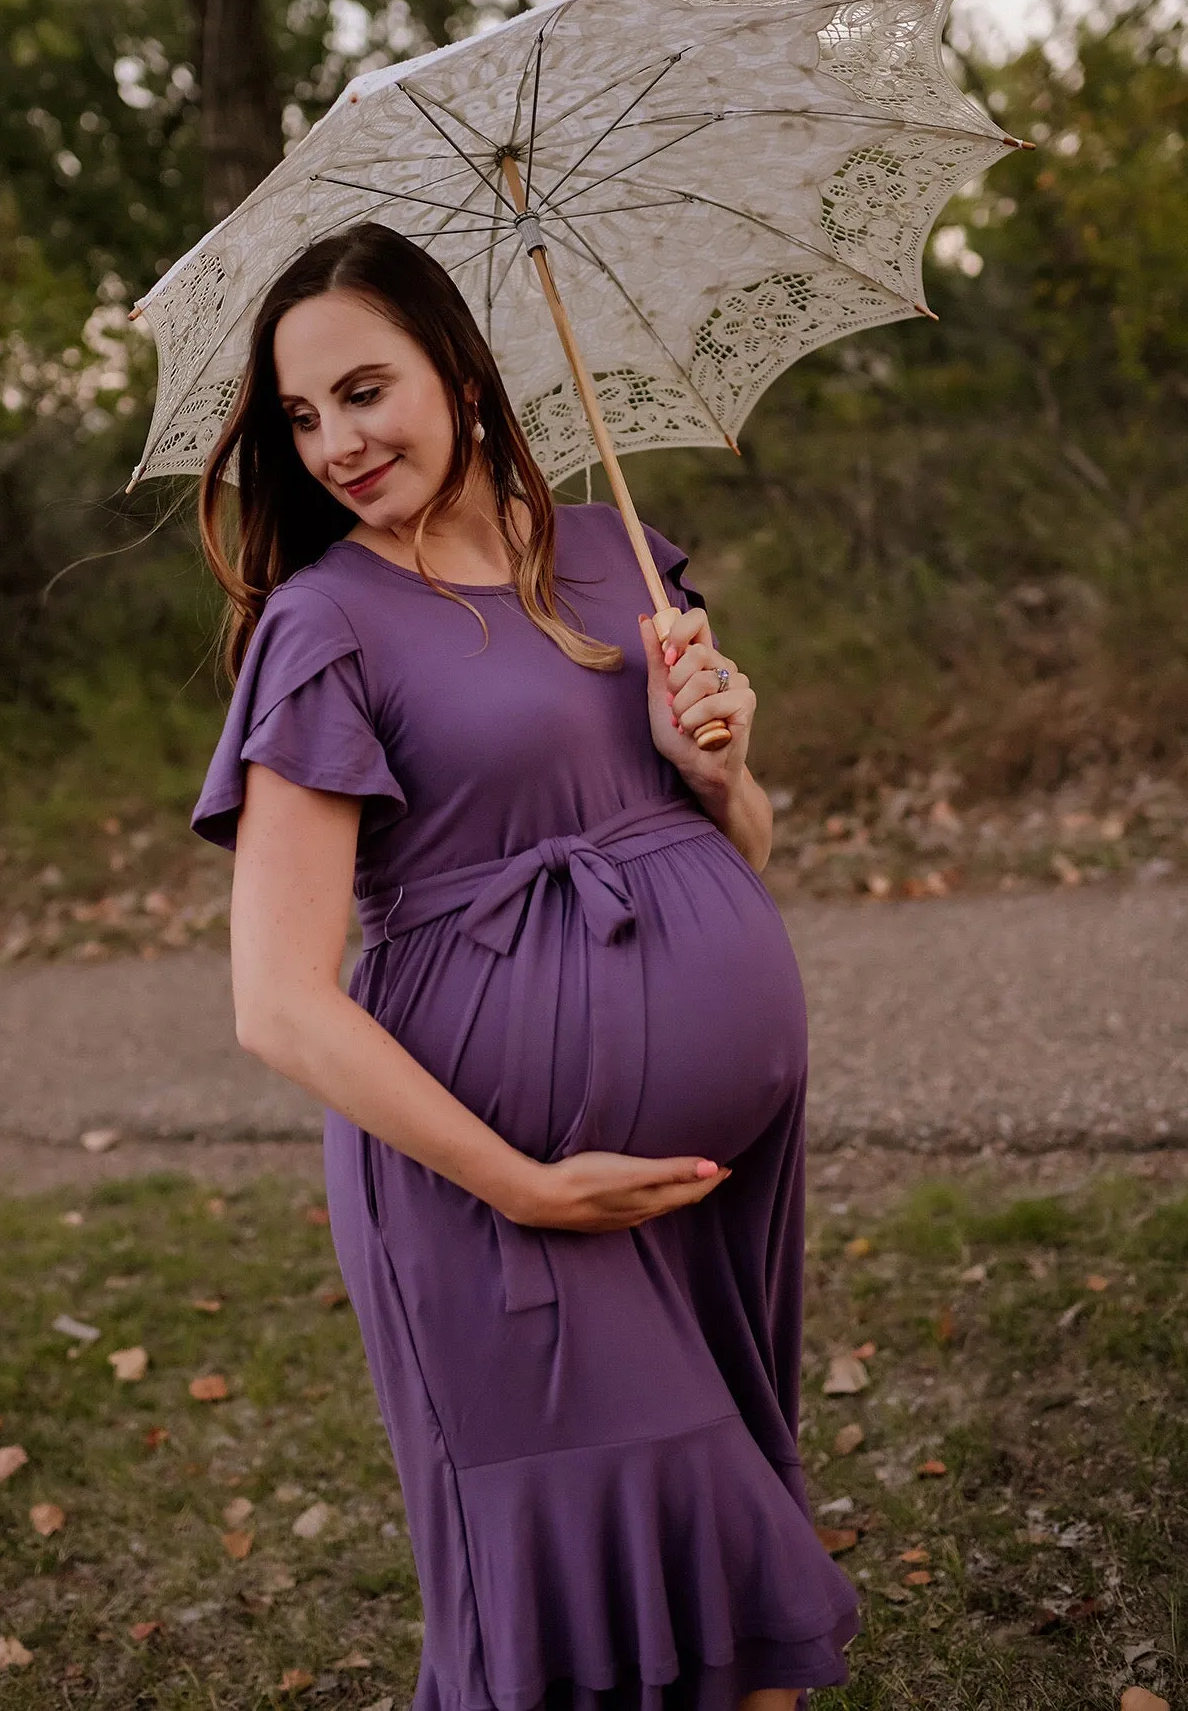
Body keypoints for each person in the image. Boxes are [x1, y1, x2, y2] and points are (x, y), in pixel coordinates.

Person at [192, 221, 859, 1711]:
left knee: (731, 1596)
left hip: (714, 1170)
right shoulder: (322, 628)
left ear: (462, 371)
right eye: (300, 419)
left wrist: (722, 763)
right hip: (499, 1202)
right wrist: (519, 1184)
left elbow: (729, 848)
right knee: (627, 1579)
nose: (336, 444)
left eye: (366, 391)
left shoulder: (620, 555)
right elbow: (276, 1001)